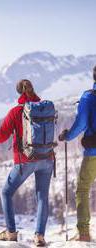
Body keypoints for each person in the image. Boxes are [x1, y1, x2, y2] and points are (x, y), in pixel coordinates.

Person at [0, 79, 54, 247]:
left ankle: (11, 233)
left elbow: (0, 136)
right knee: (42, 197)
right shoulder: (45, 109)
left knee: (6, 192)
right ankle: (39, 236)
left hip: (26, 161)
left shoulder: (16, 112)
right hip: (46, 158)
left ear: (19, 92)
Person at [58, 66, 96, 242]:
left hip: (93, 152)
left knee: (82, 189)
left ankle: (84, 233)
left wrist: (68, 136)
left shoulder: (89, 97)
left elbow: (81, 123)